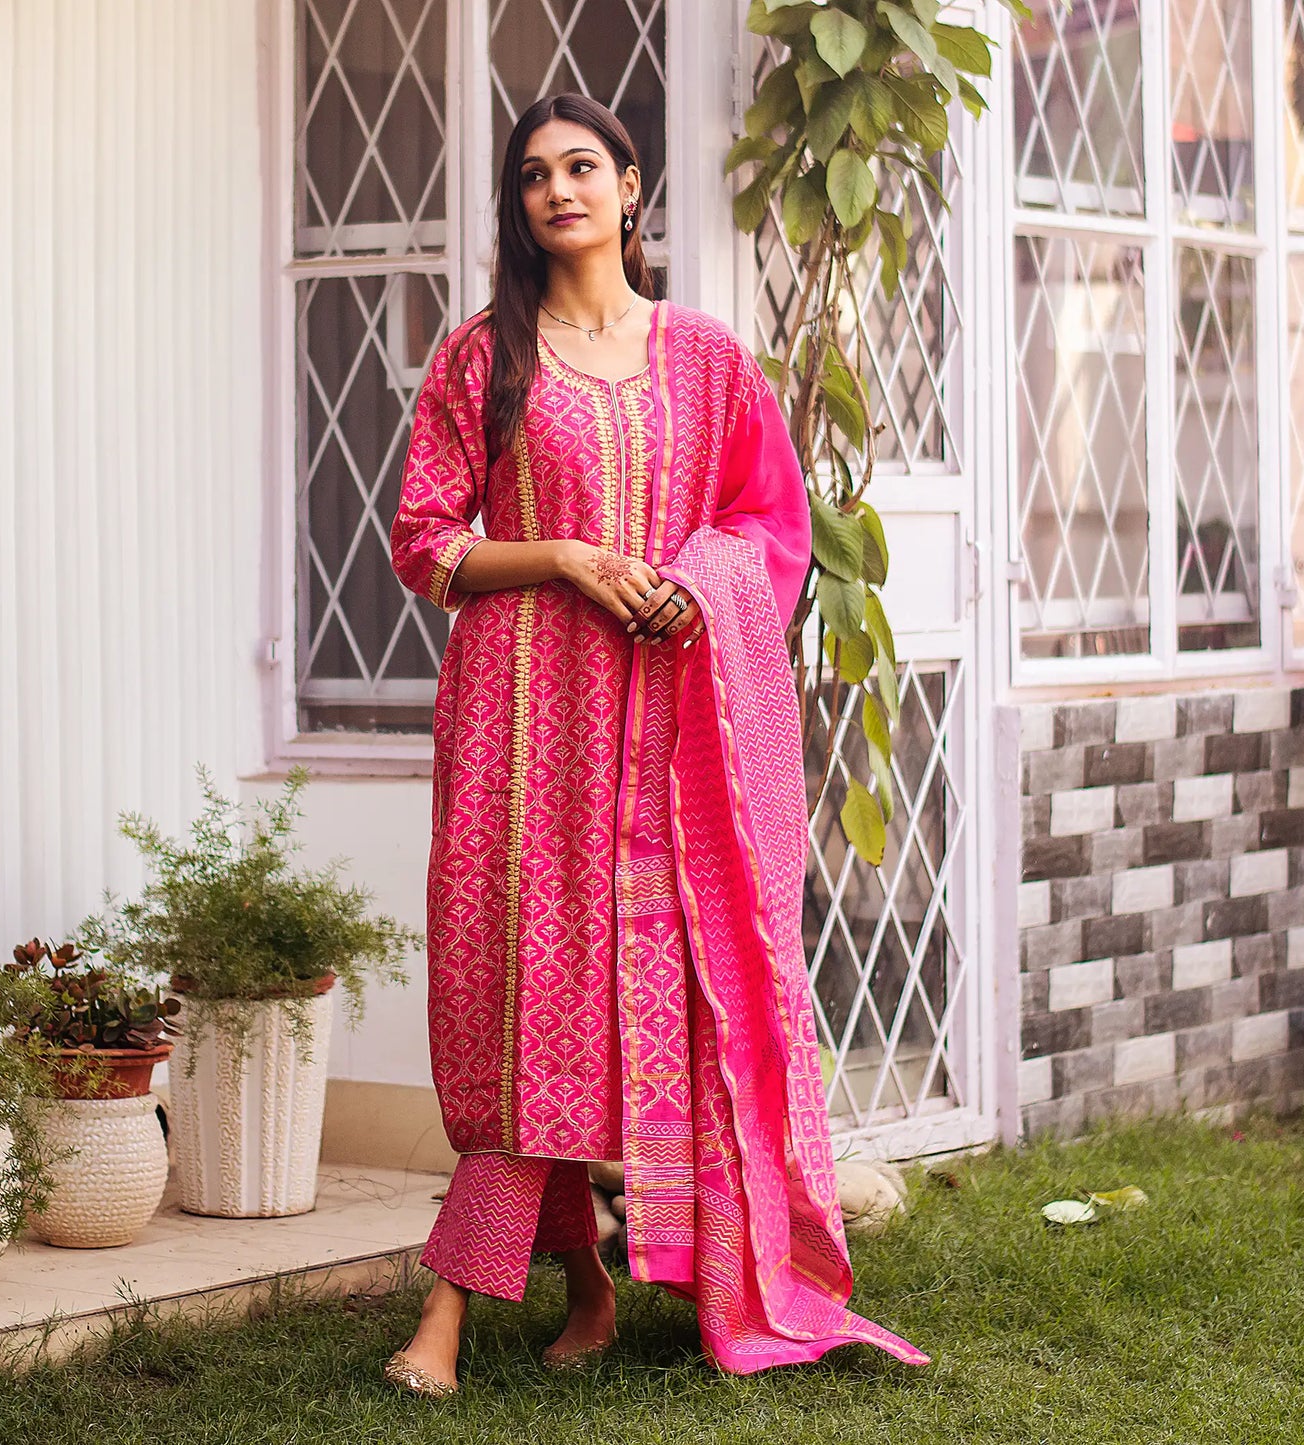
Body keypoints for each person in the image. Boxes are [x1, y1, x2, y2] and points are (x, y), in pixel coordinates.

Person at [387, 92, 926, 1395]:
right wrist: (564, 557)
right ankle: (562, 1286)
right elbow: (424, 542)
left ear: (630, 188)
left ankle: (468, 1321)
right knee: (522, 999)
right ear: (518, 208)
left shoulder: (704, 360)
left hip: (661, 739)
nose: (555, 189)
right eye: (531, 175)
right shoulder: (480, 360)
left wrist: (701, 577)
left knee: (619, 1006)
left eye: (581, 166)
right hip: (518, 731)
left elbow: (766, 526)